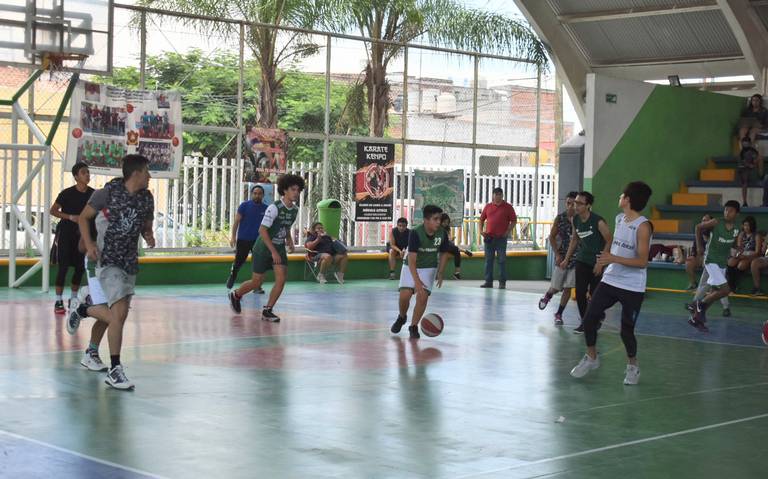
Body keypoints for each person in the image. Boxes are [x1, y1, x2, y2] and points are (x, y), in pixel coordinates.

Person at [68, 154, 155, 390]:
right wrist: (90, 243)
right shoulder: (106, 194)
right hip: (106, 261)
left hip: (129, 261)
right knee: (119, 314)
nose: (150, 176)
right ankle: (115, 368)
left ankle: (85, 321)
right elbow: (83, 219)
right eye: (147, 171)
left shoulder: (147, 198)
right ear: (136, 173)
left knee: (114, 316)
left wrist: (149, 234)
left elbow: (146, 224)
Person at [569, 182, 653, 385]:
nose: (619, 197)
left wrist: (613, 259)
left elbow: (642, 261)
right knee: (589, 319)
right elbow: (615, 248)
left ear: (628, 200)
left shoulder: (643, 226)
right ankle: (591, 357)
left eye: (622, 195)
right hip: (611, 279)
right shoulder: (619, 219)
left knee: (626, 329)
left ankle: (633, 366)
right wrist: (603, 262)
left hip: (632, 286)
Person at [228, 174, 305, 321]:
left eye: (298, 190)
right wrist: (273, 251)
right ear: (285, 190)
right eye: (293, 189)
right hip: (263, 248)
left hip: (279, 247)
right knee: (257, 282)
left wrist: (289, 240)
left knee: (281, 279)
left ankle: (267, 310)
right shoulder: (273, 208)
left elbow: (285, 226)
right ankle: (236, 294)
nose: (296, 192)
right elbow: (262, 231)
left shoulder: (294, 210)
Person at [390, 205, 451, 339]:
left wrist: (440, 272)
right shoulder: (416, 233)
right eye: (435, 219)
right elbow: (412, 260)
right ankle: (402, 317)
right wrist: (417, 282)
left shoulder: (442, 234)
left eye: (439, 219)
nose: (438, 222)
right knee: (405, 296)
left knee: (422, 296)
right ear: (426, 220)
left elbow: (444, 253)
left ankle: (413, 326)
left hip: (429, 267)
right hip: (411, 265)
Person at [562, 191, 612, 333]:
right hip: (582, 260)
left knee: (594, 295)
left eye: (579, 203)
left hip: (596, 261)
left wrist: (601, 262)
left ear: (588, 205)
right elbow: (575, 240)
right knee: (580, 292)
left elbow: (609, 240)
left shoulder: (598, 221)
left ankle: (598, 316)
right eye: (574, 203)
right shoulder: (575, 220)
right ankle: (586, 322)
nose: (575, 206)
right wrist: (566, 258)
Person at [688, 201, 741, 332]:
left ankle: (696, 318)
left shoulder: (736, 229)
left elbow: (733, 245)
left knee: (715, 292)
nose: (727, 212)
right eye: (726, 210)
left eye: (731, 210)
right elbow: (698, 227)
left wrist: (737, 249)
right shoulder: (717, 222)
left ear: (737, 213)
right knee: (725, 290)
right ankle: (699, 305)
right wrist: (700, 246)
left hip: (722, 263)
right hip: (711, 260)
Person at [50, 162, 94, 314]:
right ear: (76, 177)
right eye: (83, 172)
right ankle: (58, 300)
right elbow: (53, 210)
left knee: (80, 267)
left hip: (83, 235)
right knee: (63, 267)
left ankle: (74, 298)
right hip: (66, 234)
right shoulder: (66, 193)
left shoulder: (93, 194)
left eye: (88, 172)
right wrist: (69, 217)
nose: (87, 175)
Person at [538, 191, 578, 325]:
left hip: (576, 258)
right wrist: (557, 254)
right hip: (562, 257)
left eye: (574, 204)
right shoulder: (560, 218)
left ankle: (559, 313)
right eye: (568, 203)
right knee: (556, 287)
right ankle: (547, 296)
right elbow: (551, 237)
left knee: (568, 287)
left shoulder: (582, 219)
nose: (571, 206)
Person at [226, 185, 267, 291]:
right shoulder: (244, 206)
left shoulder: (266, 209)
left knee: (258, 264)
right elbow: (236, 222)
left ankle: (257, 286)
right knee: (239, 262)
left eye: (259, 193)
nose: (257, 195)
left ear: (263, 195)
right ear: (252, 194)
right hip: (243, 239)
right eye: (255, 193)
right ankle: (232, 276)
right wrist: (233, 237)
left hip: (258, 241)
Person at [479, 187, 517, 289]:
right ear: (493, 195)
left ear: (502, 195)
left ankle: (502, 282)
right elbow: (481, 219)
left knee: (502, 260)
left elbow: (514, 221)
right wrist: (481, 231)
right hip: (489, 238)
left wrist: (508, 231)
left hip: (501, 238)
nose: (497, 196)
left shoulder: (508, 207)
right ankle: (488, 281)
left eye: (499, 194)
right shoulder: (488, 206)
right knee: (488, 261)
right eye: (495, 194)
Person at [726, 216, 762, 292]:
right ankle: (731, 285)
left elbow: (757, 252)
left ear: (752, 226)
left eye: (748, 225)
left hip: (752, 255)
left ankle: (733, 285)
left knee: (741, 265)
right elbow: (739, 247)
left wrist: (746, 256)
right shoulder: (741, 234)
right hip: (742, 254)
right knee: (731, 262)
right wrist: (738, 254)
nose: (746, 227)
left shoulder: (757, 235)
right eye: (745, 225)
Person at [439, 213, 473, 280]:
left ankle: (457, 273)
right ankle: (464, 250)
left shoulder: (447, 229)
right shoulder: (437, 228)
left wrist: (451, 239)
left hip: (447, 245)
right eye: (444, 222)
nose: (446, 223)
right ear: (441, 221)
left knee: (457, 252)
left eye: (447, 222)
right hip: (440, 246)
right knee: (454, 248)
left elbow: (448, 239)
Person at [737, 137, 760, 208]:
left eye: (746, 143)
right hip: (743, 170)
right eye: (744, 143)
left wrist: (753, 164)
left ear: (749, 143)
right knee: (744, 180)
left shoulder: (753, 151)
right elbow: (742, 164)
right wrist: (748, 165)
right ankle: (744, 202)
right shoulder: (741, 153)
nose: (745, 145)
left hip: (752, 171)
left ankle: (760, 176)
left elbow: (757, 158)